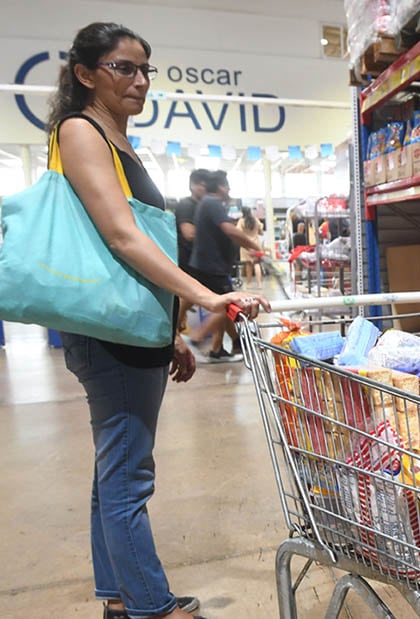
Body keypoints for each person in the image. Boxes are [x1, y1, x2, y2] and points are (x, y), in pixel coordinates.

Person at [47, 22, 268, 619]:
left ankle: (120, 597)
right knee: (127, 478)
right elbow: (120, 238)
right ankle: (153, 607)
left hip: (128, 329)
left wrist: (169, 329)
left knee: (113, 472)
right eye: (123, 67)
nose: (139, 81)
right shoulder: (80, 130)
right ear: (86, 73)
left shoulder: (115, 139)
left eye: (145, 69)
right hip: (110, 335)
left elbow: (134, 241)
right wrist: (207, 297)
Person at [187, 170, 263, 362]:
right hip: (212, 265)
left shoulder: (207, 203)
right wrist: (254, 245)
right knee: (226, 305)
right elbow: (229, 230)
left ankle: (217, 348)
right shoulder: (212, 203)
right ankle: (198, 336)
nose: (229, 189)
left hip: (208, 264)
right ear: (221, 186)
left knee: (220, 305)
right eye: (227, 185)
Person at [173, 169, 209, 332]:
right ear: (192, 186)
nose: (206, 188)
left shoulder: (202, 205)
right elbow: (188, 233)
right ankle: (175, 335)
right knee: (187, 298)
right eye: (202, 185)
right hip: (188, 261)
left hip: (200, 262)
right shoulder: (187, 205)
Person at [236, 206, 264, 289]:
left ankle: (249, 284)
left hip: (246, 245)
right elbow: (261, 231)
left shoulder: (241, 221)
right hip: (256, 244)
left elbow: (238, 231)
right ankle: (259, 284)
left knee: (248, 264)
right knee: (257, 264)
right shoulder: (255, 220)